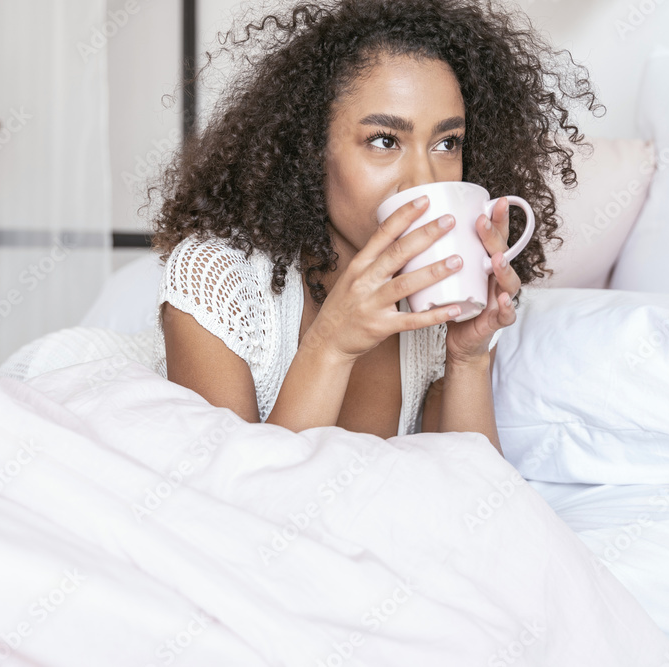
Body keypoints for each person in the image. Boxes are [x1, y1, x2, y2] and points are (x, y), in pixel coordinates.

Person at [149, 0, 600, 454]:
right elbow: (235, 491)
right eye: (385, 141)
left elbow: (467, 485)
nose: (424, 181)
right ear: (310, 149)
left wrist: (467, 359)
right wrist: (330, 345)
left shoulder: (445, 300)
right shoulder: (214, 282)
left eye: (447, 143)